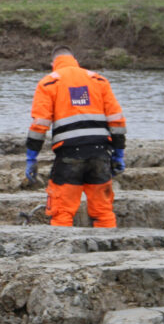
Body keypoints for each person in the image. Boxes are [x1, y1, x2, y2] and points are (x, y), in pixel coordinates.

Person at [24, 45, 127, 228]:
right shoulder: (98, 80)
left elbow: (40, 125)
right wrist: (118, 153)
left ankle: (63, 252)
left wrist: (32, 157)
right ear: (75, 60)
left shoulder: (49, 83)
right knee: (103, 210)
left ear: (53, 63)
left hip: (69, 155)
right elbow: (117, 120)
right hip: (100, 153)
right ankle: (107, 248)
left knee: (62, 211)